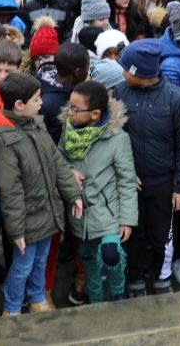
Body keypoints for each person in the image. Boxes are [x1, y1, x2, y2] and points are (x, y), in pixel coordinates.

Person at [0, 73, 83, 316]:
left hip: (47, 210)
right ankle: (11, 308)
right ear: (19, 105)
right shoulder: (3, 138)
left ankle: (38, 296)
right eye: (36, 99)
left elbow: (57, 162)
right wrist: (16, 229)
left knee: (41, 260)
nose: (41, 103)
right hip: (28, 217)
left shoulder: (36, 123)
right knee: (22, 266)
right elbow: (9, 189)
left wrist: (73, 194)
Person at [114, 39, 180, 297]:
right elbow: (113, 137)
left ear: (139, 72)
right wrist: (125, 173)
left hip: (163, 182)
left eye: (126, 68)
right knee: (133, 235)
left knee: (162, 236)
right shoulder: (119, 92)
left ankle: (162, 277)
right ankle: (135, 280)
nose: (122, 73)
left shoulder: (176, 98)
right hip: (131, 182)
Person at [60, 80, 137, 302]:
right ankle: (95, 299)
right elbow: (58, 159)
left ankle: (118, 292)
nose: (69, 112)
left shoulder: (118, 138)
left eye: (75, 109)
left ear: (94, 114)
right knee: (87, 257)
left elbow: (126, 180)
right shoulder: (68, 130)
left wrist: (127, 219)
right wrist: (69, 169)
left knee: (111, 254)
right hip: (80, 213)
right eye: (70, 106)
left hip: (108, 211)